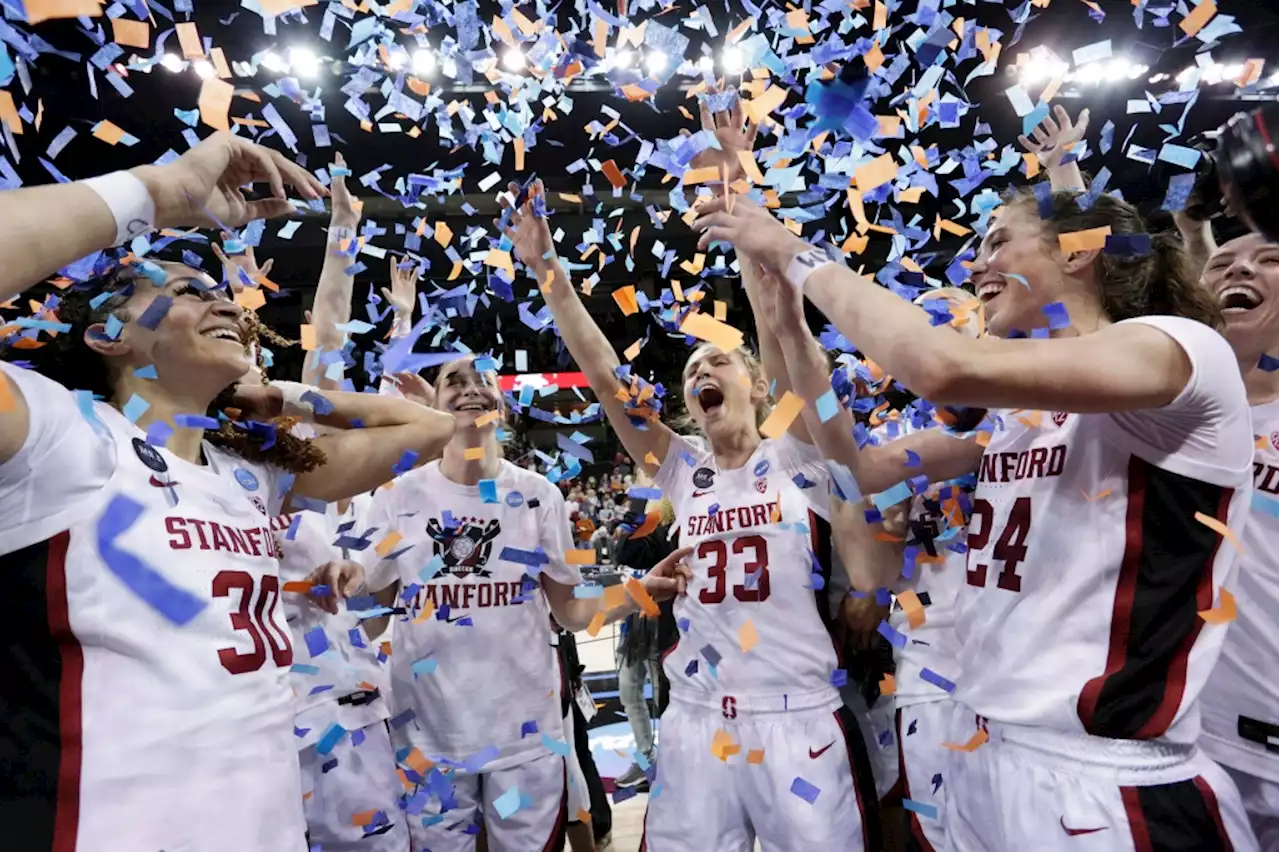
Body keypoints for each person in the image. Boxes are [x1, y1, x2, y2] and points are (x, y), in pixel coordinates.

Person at [691, 176, 1259, 849]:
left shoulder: (1180, 349)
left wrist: (795, 252)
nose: (977, 264)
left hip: (1105, 779)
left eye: (998, 242)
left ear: (1077, 253)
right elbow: (857, 467)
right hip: (986, 747)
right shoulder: (1004, 419)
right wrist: (786, 324)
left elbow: (939, 365)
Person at [0, 133, 457, 852]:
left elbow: (429, 427)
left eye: (220, 292)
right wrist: (157, 193)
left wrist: (284, 395)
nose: (219, 302)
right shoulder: (60, 436)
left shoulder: (252, 474)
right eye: (185, 291)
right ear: (107, 336)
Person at [501, 134, 889, 848]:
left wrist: (740, 194)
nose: (698, 374)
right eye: (689, 375)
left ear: (753, 384)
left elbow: (774, 316)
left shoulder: (794, 451)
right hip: (699, 718)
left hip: (796, 715)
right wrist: (546, 268)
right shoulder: (682, 470)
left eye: (716, 362)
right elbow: (603, 373)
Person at [358, 353, 690, 852]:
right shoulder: (396, 497)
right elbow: (372, 613)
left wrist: (641, 591)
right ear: (433, 405)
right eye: (454, 381)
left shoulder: (541, 495)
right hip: (429, 740)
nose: (470, 389)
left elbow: (572, 611)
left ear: (504, 406)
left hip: (524, 741)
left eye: (483, 381)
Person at [1196, 233, 1280, 849]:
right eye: (1219, 263)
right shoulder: (1166, 413)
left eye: (1270, 260)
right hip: (1178, 741)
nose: (1241, 267)